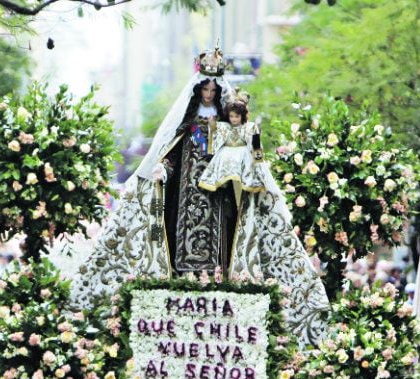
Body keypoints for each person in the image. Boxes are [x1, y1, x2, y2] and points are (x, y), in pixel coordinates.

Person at [72, 46, 329, 346]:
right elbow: (171, 154)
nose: (208, 94)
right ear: (198, 90)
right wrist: (163, 171)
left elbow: (252, 155)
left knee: (221, 238)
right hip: (186, 193)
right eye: (204, 89)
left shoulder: (232, 126)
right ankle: (184, 283)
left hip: (219, 194)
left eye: (212, 90)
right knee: (182, 238)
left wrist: (254, 167)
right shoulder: (189, 121)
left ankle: (217, 281)